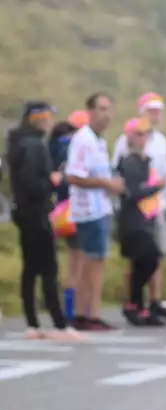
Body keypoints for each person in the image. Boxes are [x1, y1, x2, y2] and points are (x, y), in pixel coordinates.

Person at [7, 102, 83, 340]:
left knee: (31, 268)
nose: (51, 122)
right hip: (36, 212)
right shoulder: (33, 146)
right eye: (48, 117)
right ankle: (60, 325)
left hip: (22, 211)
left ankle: (33, 323)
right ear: (39, 119)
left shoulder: (18, 142)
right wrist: (52, 181)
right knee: (48, 268)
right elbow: (32, 183)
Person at [112, 92, 166, 321]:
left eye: (158, 110)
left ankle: (154, 302)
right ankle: (134, 302)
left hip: (155, 205)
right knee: (139, 257)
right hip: (136, 208)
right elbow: (122, 179)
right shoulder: (124, 143)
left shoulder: (161, 141)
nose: (156, 114)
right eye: (151, 110)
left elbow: (163, 175)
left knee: (156, 254)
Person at [65, 92, 124, 331]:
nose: (106, 114)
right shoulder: (84, 139)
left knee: (97, 261)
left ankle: (88, 313)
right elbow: (74, 175)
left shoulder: (100, 141)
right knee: (91, 262)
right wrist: (106, 184)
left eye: (109, 109)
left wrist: (111, 185)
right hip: (88, 210)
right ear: (90, 111)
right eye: (101, 109)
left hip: (101, 207)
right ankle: (86, 314)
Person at [116, 117, 166, 326]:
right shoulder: (128, 162)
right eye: (138, 133)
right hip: (133, 220)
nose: (143, 138)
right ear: (129, 137)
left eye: (146, 133)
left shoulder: (145, 161)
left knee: (146, 262)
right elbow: (133, 193)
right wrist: (157, 187)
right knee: (148, 259)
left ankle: (138, 305)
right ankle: (133, 304)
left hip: (146, 218)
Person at [48, 110, 89, 324]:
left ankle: (65, 306)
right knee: (78, 259)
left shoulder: (53, 144)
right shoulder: (76, 146)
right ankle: (72, 310)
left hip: (56, 211)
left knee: (63, 261)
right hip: (75, 209)